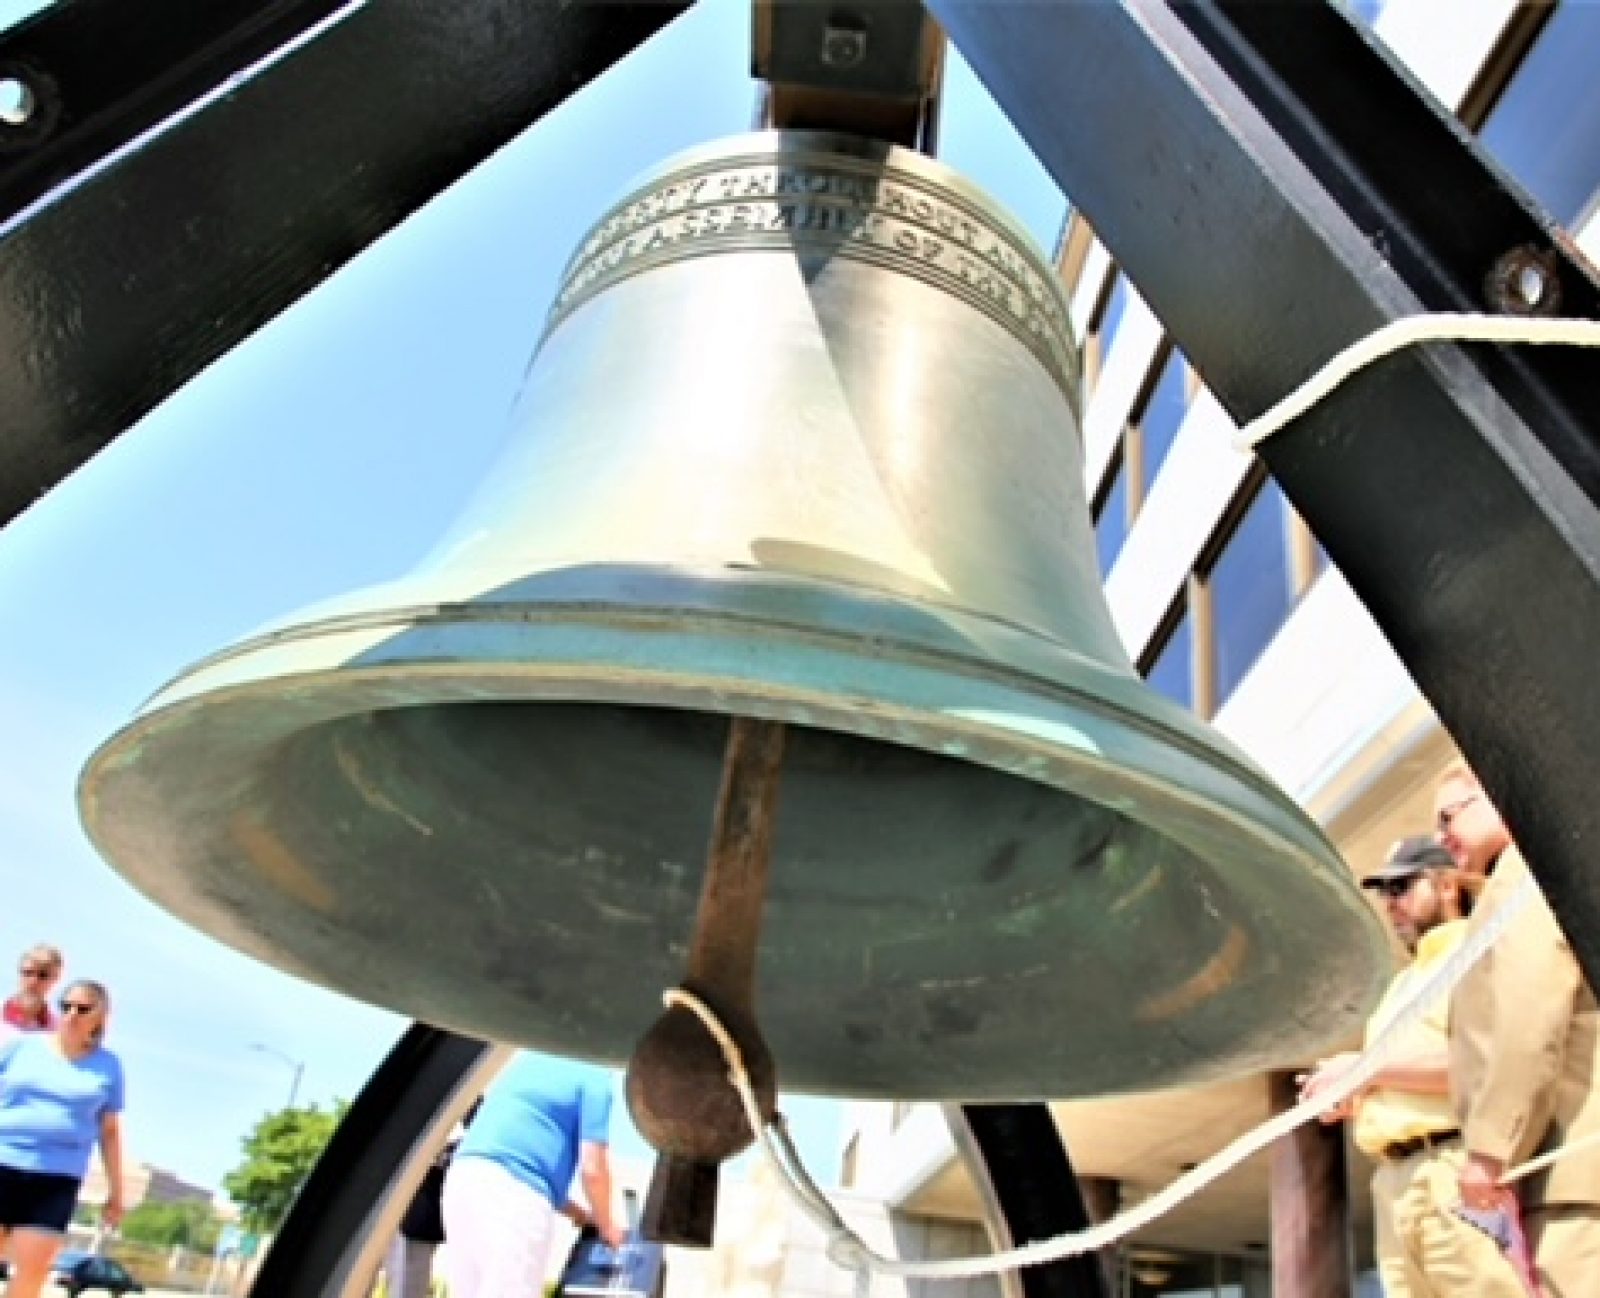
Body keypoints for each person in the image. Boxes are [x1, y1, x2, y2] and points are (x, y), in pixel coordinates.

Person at [1300, 835, 1523, 1297]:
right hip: (1393, 1181)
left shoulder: (1480, 950)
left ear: (1446, 886)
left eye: (1402, 887)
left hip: (1460, 1166)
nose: (1390, 903)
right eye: (1384, 892)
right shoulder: (1401, 986)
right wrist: (1350, 1095)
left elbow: (1489, 1062)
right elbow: (1396, 1074)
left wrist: (1366, 1069)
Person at [1439, 766, 1600, 1298]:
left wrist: (1492, 1149)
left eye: (1449, 815)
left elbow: (1529, 1014)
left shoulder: (1523, 873)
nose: (1441, 837)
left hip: (1573, 1180)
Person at [441, 1052, 622, 1298]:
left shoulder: (531, 1062)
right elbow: (593, 1169)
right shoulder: (595, 1077)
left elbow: (519, 1159)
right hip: (511, 1199)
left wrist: (579, 1214)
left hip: (464, 1180)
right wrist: (608, 1226)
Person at [0, 979, 126, 1298]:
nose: (72, 1015)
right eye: (65, 1006)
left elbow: (109, 1132)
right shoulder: (21, 1047)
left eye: (83, 1009)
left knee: (32, 1271)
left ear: (101, 1017)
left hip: (56, 1180)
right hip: (3, 1160)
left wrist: (117, 1193)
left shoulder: (109, 1067)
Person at [2, 946, 63, 1033]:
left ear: (56, 979)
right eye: (27, 973)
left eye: (43, 975)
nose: (33, 981)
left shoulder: (58, 1029)